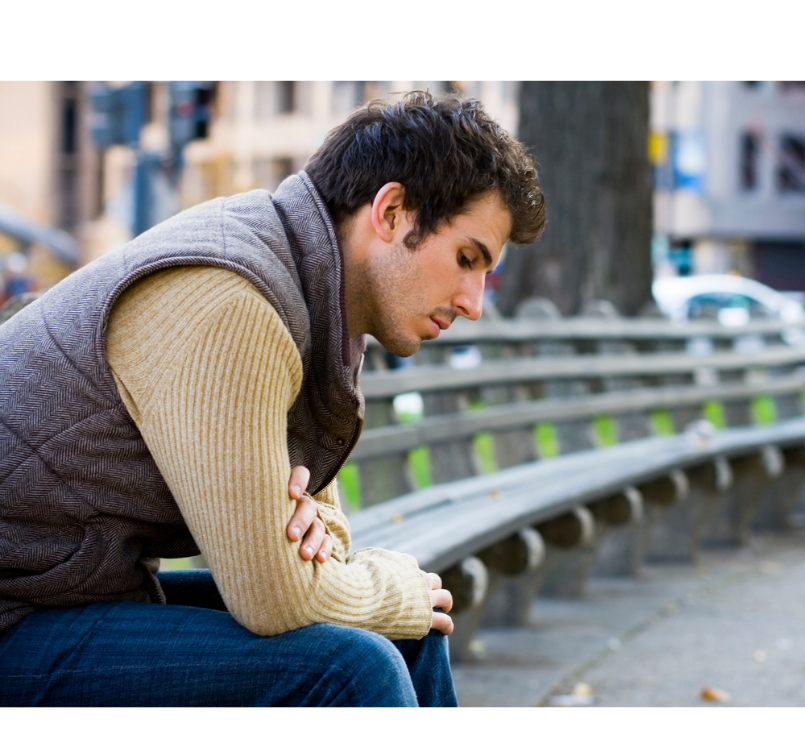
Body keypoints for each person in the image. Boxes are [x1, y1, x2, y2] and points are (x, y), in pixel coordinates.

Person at [0, 91, 544, 708]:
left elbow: (321, 536)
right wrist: (394, 587)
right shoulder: (230, 299)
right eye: (466, 259)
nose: (475, 301)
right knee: (352, 666)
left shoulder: (313, 297)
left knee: (409, 633)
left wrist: (335, 559)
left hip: (70, 591)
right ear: (391, 212)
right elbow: (271, 596)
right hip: (17, 615)